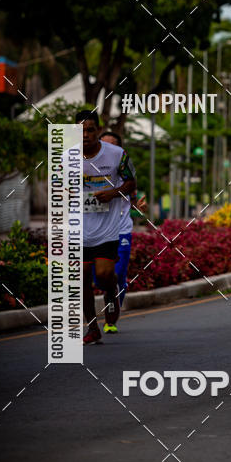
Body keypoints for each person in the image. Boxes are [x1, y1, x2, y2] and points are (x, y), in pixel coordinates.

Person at [77, 110, 136, 344]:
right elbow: (56, 186)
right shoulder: (65, 157)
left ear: (98, 130)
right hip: (79, 227)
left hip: (107, 228)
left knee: (103, 275)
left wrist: (113, 193)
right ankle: (92, 328)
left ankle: (112, 293)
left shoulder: (116, 154)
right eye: (81, 130)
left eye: (90, 129)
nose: (85, 135)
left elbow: (132, 183)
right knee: (81, 278)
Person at [98, 130, 136, 329]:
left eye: (112, 146)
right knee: (100, 278)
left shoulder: (125, 172)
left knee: (118, 274)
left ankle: (110, 317)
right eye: (103, 145)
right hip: (96, 231)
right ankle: (112, 294)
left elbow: (134, 195)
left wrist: (140, 205)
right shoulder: (89, 170)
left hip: (121, 230)